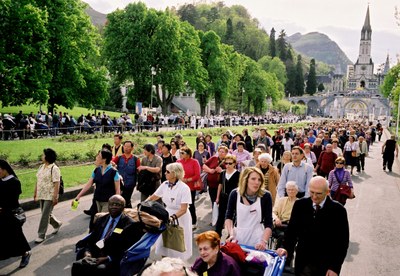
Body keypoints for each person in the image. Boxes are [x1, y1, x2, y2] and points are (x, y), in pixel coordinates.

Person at [277, 176, 349, 276]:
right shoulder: (300, 205)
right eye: (312, 192)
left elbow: (342, 243)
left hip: (325, 266)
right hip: (303, 262)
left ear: (327, 192)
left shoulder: (338, 211)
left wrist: (334, 267)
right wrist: (285, 248)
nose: (314, 197)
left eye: (318, 193)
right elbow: (291, 232)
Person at [72, 195, 143, 276]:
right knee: (77, 265)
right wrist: (88, 252)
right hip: (96, 252)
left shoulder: (130, 224)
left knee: (99, 270)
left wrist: (107, 258)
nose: (114, 206)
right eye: (111, 204)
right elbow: (92, 238)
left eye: (118, 204)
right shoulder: (101, 219)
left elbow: (127, 249)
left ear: (123, 207)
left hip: (113, 257)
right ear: (108, 206)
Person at [147, 163, 193, 260]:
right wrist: (142, 205)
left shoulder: (184, 188)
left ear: (175, 173)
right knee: (164, 242)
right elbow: (154, 197)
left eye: (167, 172)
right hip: (167, 213)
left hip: (180, 218)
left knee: (178, 243)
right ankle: (165, 263)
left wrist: (172, 218)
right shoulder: (165, 184)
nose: (165, 173)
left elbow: (183, 209)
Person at [225, 167, 273, 250]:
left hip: (257, 238)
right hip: (238, 237)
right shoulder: (235, 194)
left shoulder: (266, 196)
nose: (257, 182)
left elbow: (269, 223)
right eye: (253, 179)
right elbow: (229, 217)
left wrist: (263, 241)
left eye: (259, 180)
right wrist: (231, 234)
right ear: (245, 180)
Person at [0, 160, 31, 268]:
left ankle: (25, 254)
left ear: (4, 169)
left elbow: (13, 200)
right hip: (2, 214)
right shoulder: (0, 181)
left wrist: (2, 207)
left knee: (16, 236)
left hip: (12, 214)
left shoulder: (14, 182)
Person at [75, 149, 121, 214]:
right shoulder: (96, 170)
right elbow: (89, 184)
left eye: (99, 156)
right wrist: (79, 196)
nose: (96, 157)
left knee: (102, 220)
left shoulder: (114, 172)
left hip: (108, 202)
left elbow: (117, 190)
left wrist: (116, 203)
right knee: (96, 221)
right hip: (97, 201)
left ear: (104, 159)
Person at [34, 148, 63, 243]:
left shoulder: (54, 168)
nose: (42, 156)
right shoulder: (41, 167)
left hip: (50, 195)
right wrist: (35, 192)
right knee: (45, 214)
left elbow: (56, 183)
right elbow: (38, 180)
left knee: (44, 215)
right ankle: (57, 224)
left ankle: (41, 235)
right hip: (41, 194)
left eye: (43, 155)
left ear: (47, 156)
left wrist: (55, 197)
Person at [215, 154, 240, 236]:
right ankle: (217, 234)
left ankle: (230, 234)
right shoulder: (222, 173)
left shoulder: (238, 174)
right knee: (221, 216)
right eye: (226, 163)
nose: (228, 165)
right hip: (223, 197)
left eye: (230, 163)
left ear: (234, 164)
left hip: (233, 198)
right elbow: (220, 185)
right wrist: (217, 197)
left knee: (231, 216)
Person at [177, 147, 201, 229]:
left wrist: (187, 180)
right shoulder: (178, 162)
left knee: (190, 204)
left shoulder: (194, 162)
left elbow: (197, 175)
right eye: (180, 153)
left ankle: (193, 221)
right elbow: (176, 173)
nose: (181, 154)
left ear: (188, 154)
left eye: (183, 153)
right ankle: (182, 220)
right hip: (180, 186)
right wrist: (180, 179)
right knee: (180, 204)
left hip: (190, 187)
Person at [272, 181, 298, 249]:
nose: (290, 191)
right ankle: (280, 254)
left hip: (292, 227)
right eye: (289, 189)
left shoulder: (299, 203)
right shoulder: (281, 200)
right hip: (280, 225)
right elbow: (273, 212)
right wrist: (276, 219)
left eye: (292, 190)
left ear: (296, 191)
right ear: (286, 191)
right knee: (283, 235)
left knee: (286, 236)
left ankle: (280, 254)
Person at [114, 140, 140, 208]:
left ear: (132, 148)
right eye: (125, 146)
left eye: (128, 146)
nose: (126, 148)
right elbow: (111, 164)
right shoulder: (118, 158)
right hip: (120, 184)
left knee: (126, 199)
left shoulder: (135, 159)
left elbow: (139, 171)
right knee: (122, 200)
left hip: (130, 184)